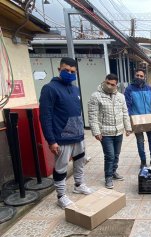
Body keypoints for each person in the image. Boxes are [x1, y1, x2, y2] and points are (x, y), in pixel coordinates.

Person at [39, 57, 93, 209]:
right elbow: (45, 116)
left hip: (78, 135)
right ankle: (61, 196)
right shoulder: (50, 88)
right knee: (61, 167)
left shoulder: (75, 89)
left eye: (72, 71)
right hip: (62, 138)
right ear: (59, 70)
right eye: (66, 70)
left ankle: (79, 184)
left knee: (80, 161)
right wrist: (51, 140)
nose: (69, 73)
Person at [88, 73, 132, 189]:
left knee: (116, 154)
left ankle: (113, 172)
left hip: (118, 131)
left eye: (112, 84)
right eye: (108, 83)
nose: (109, 86)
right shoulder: (96, 96)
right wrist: (96, 132)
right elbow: (93, 115)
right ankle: (108, 177)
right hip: (105, 133)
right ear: (104, 81)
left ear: (116, 85)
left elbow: (125, 113)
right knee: (110, 156)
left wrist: (128, 128)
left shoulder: (120, 96)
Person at [124, 68, 151, 169]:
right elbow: (127, 106)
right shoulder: (129, 89)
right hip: (137, 120)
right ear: (134, 76)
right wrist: (129, 121)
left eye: (141, 76)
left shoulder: (149, 88)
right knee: (140, 141)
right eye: (137, 75)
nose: (139, 77)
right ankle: (143, 161)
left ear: (144, 77)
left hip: (149, 119)